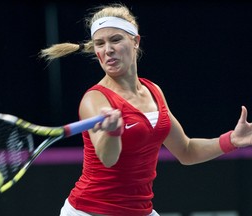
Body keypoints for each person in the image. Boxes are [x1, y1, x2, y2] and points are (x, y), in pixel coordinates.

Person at [40, 3, 252, 216]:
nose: (108, 49)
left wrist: (232, 140)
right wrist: (113, 132)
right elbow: (108, 158)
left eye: (115, 39)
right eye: (100, 43)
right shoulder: (94, 100)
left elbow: (186, 151)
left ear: (135, 41)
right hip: (90, 211)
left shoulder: (154, 91)